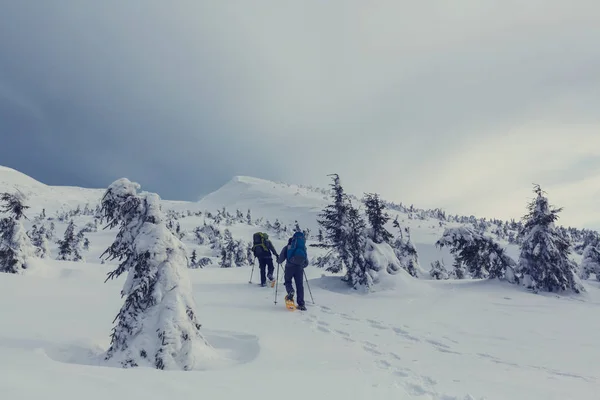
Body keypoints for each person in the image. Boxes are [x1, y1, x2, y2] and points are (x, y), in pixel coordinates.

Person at [277, 231, 308, 310]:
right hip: (299, 268)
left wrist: (278, 261)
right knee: (299, 285)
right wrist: (301, 265)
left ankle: (290, 291)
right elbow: (306, 262)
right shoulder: (303, 248)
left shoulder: (287, 247)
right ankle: (301, 304)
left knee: (288, 281)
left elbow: (280, 260)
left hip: (289, 267)